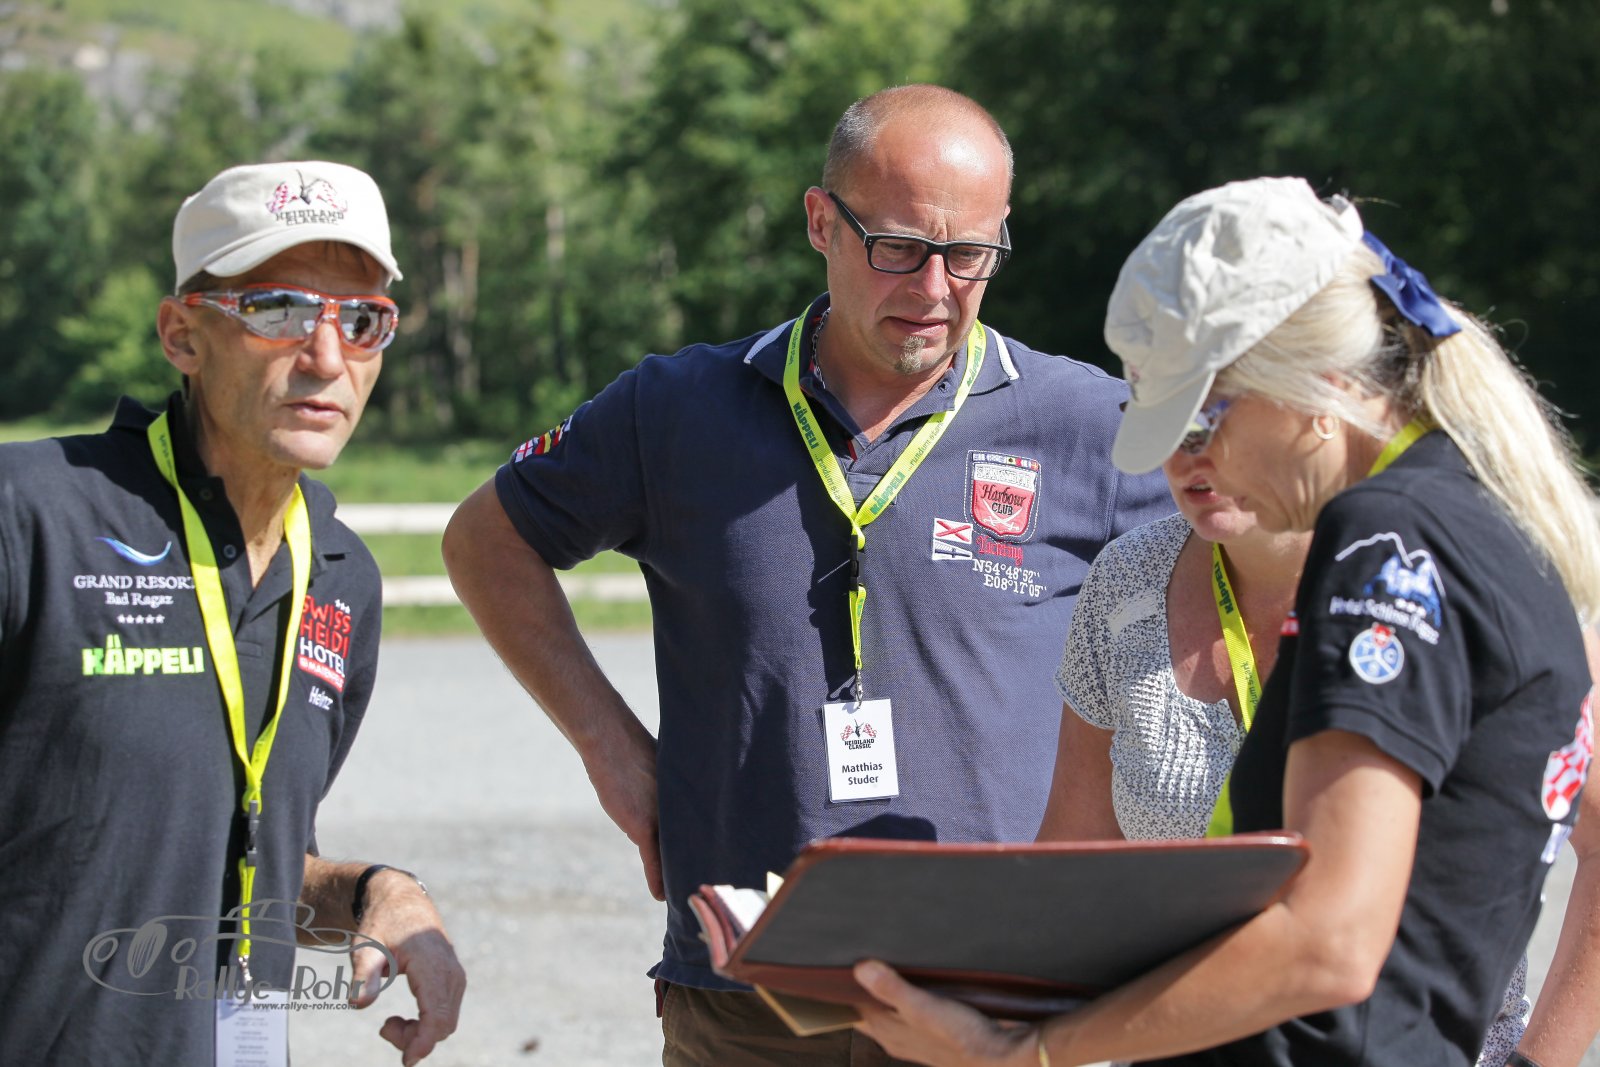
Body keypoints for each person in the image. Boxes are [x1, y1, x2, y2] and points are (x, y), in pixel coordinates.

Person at [442, 84, 1172, 1063]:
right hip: (749, 995)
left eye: (970, 254)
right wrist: (609, 746)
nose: (935, 287)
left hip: (998, 991)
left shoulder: (1088, 424)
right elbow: (485, 540)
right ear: (822, 222)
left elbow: (1241, 582)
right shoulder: (677, 410)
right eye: (899, 247)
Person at [849, 175, 1600, 1066]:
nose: (1186, 463)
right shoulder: (1486, 517)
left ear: (1318, 382)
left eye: (1204, 420)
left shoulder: (1384, 538)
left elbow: (1328, 943)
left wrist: (1032, 1049)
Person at [0, 160, 466, 1066]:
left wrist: (378, 893)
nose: (326, 358)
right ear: (183, 335)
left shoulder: (341, 577)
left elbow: (241, 855)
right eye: (279, 310)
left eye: (361, 320)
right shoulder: (33, 516)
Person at [1036, 454, 1600, 1064]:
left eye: (1214, 413)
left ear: (1314, 413)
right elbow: (1069, 870)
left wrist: (1536, 1062)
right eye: (1165, 419)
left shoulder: (1447, 572)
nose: (1189, 450)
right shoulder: (1129, 578)